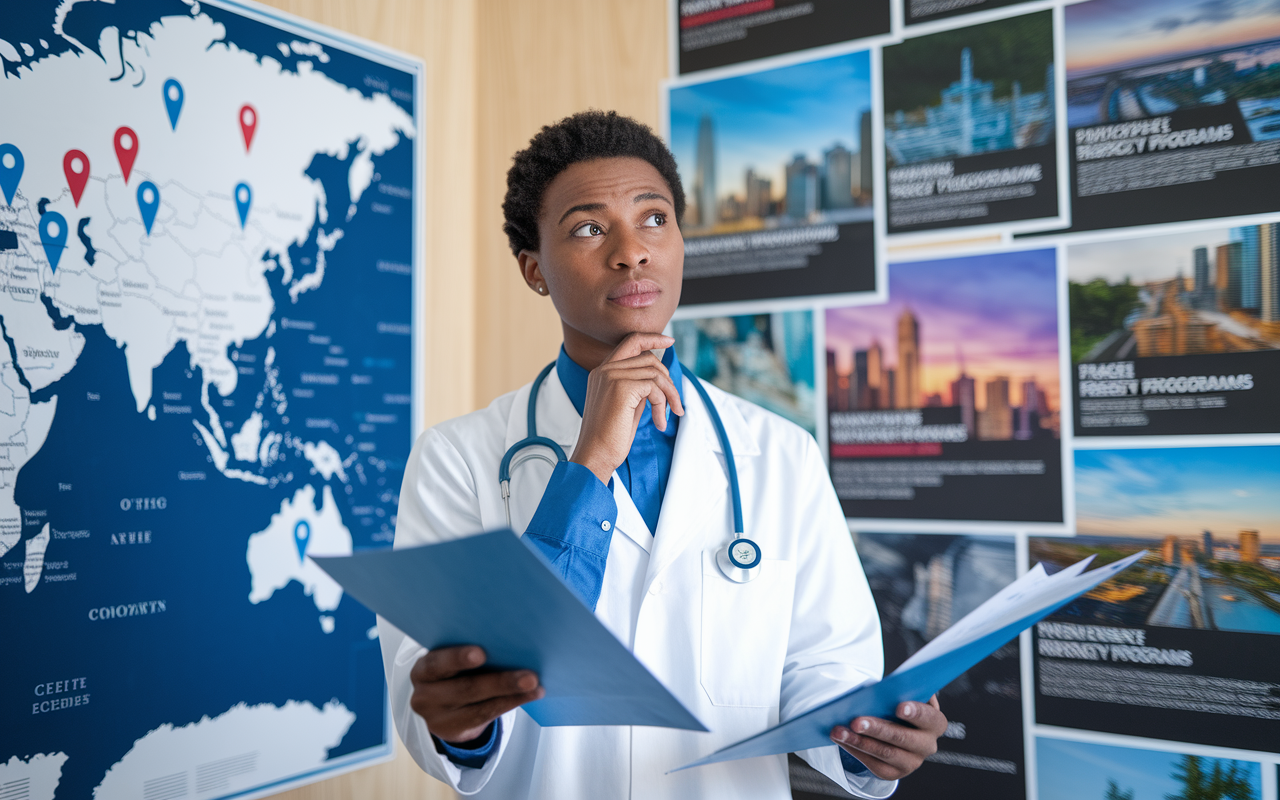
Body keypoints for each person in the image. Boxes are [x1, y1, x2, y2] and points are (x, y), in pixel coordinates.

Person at [378, 110, 946, 799]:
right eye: (589, 228)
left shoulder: (781, 453)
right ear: (534, 270)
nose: (631, 251)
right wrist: (586, 465)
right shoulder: (456, 460)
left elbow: (825, 666)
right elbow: (442, 705)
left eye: (654, 219)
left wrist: (870, 740)